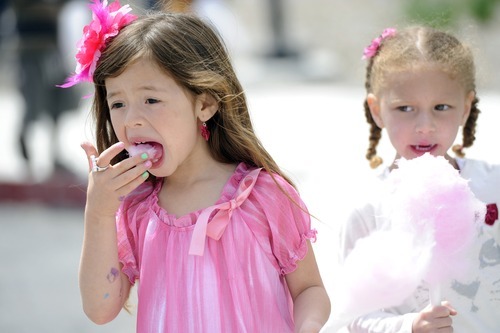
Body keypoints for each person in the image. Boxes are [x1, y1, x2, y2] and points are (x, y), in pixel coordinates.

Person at [60, 1, 330, 332]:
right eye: (118, 103)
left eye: (151, 100)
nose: (131, 120)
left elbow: (309, 290)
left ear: (204, 104)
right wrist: (99, 214)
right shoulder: (136, 208)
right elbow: (100, 309)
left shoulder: (263, 195)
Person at [337, 26, 500, 332]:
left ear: (465, 108)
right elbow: (354, 317)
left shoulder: (494, 186)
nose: (425, 126)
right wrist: (408, 325)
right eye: (405, 108)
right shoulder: (366, 209)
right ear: (377, 110)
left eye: (441, 107)